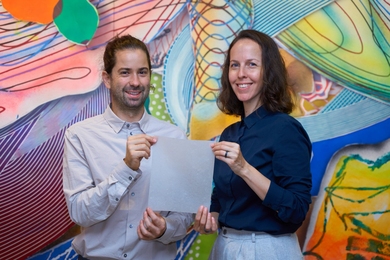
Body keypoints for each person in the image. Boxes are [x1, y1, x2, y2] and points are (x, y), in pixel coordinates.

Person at [63, 34, 194, 260]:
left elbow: (184, 216)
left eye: (142, 72)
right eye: (125, 72)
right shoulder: (80, 136)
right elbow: (80, 213)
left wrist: (165, 228)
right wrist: (126, 168)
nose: (135, 81)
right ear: (107, 78)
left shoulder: (175, 137)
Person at [193, 29, 312, 259]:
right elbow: (222, 197)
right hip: (224, 246)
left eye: (252, 64)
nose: (241, 74)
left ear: (268, 72)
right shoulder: (229, 133)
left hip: (267, 249)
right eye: (234, 65)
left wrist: (244, 169)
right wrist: (210, 220)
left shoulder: (285, 129)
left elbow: (297, 209)